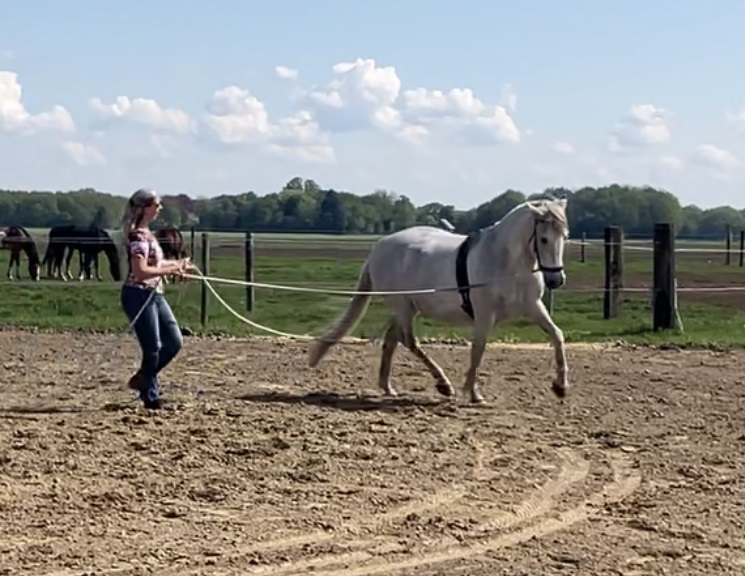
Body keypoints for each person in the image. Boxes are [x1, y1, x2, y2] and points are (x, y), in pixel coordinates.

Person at [119, 188, 194, 410]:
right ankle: (150, 396)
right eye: (157, 204)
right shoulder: (138, 237)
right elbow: (141, 271)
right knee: (153, 347)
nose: (160, 208)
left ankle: (143, 377)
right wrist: (168, 271)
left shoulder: (148, 234)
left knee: (174, 341)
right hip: (138, 295)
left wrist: (177, 265)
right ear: (145, 208)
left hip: (153, 293)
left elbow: (156, 265)